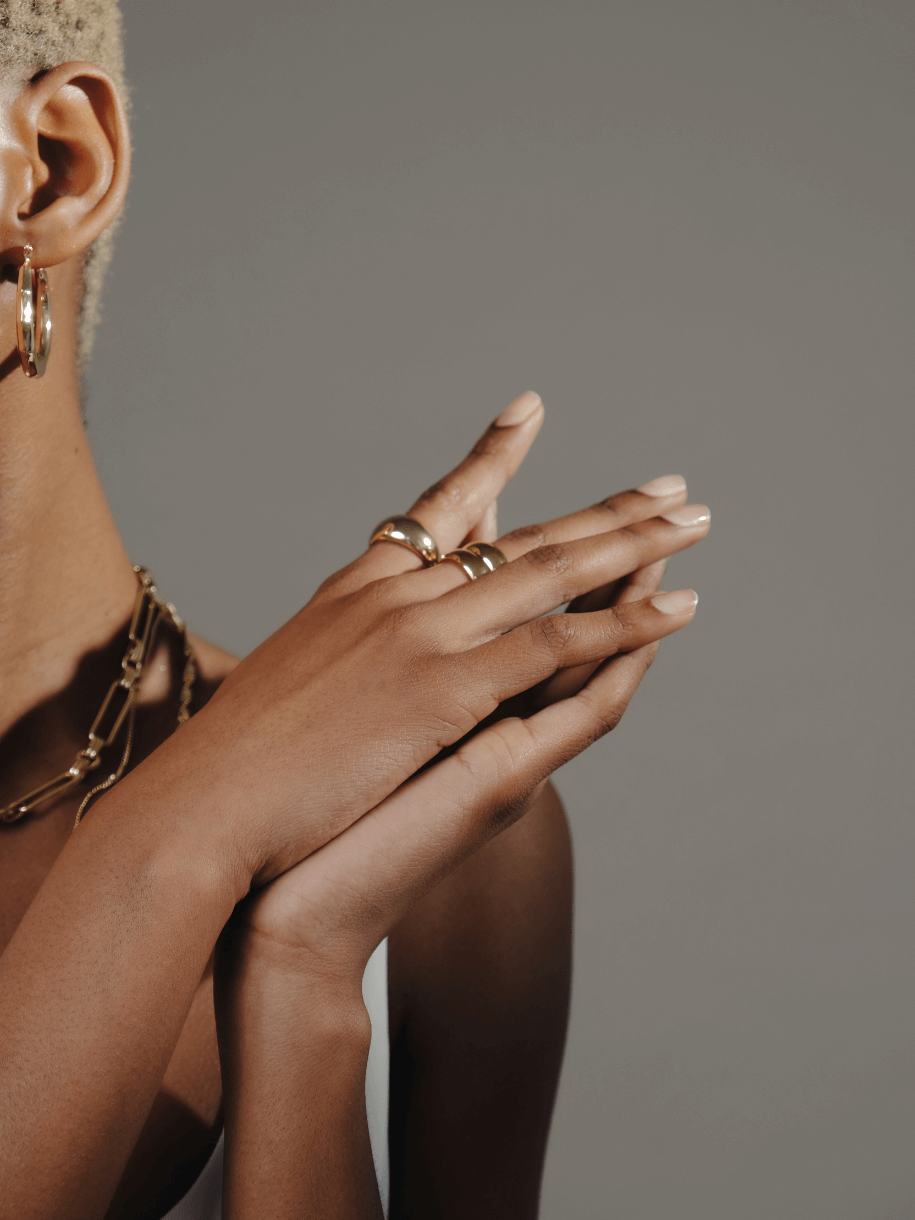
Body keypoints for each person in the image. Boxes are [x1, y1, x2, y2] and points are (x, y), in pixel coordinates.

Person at [0, 3, 710, 1217]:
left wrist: (304, 983)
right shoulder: (258, 799)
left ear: (48, 174)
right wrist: (188, 826)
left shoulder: (433, 847)